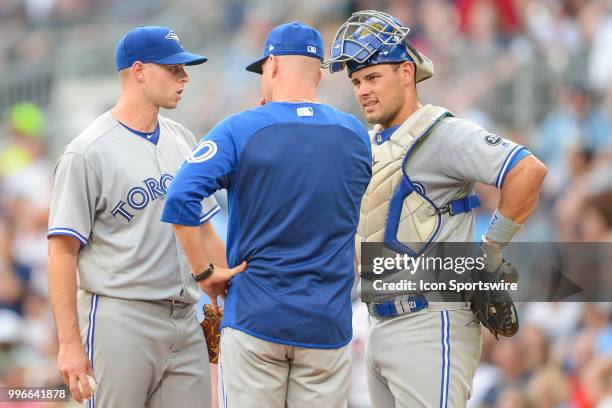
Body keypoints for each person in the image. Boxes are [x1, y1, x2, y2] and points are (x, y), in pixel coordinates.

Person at [324, 10, 547, 408]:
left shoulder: (440, 132)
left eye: (373, 77)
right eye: (357, 81)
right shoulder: (373, 142)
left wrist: (490, 250)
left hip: (430, 321)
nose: (362, 90)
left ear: (406, 72)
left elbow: (527, 170)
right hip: (379, 322)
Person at [161, 22, 372, 408]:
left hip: (257, 317)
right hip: (327, 322)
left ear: (271, 66)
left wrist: (205, 274)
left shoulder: (241, 129)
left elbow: (180, 199)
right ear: (320, 74)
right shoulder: (355, 133)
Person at [47, 26, 225, 407]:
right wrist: (69, 345)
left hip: (185, 316)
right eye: (173, 69)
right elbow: (61, 253)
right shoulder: (87, 152)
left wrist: (226, 298)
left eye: (184, 69)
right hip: (121, 316)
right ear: (139, 70)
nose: (185, 77)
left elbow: (205, 229)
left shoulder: (183, 139)